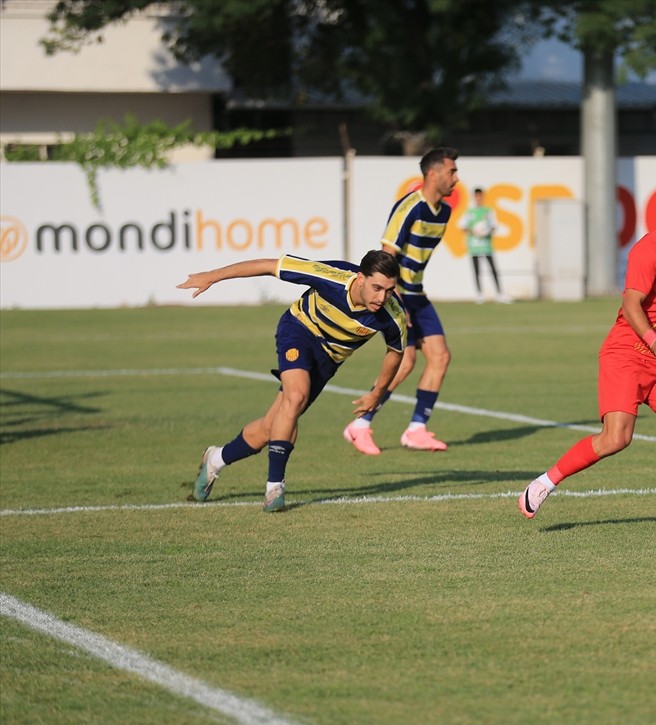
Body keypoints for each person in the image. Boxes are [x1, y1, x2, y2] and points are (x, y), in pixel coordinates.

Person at [518, 177, 656, 536]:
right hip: (627, 354)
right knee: (616, 438)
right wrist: (653, 340)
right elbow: (631, 303)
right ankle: (543, 483)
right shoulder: (650, 247)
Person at [180, 250, 407, 512]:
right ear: (360, 278)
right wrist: (213, 276)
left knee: (271, 427)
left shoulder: (393, 314)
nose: (382, 297)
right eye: (376, 288)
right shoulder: (331, 278)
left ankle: (216, 459)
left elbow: (395, 352)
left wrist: (377, 393)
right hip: (298, 331)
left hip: (328, 360)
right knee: (296, 396)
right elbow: (268, 265)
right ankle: (274, 488)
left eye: (389, 290)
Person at [343, 146, 460, 455]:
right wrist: (394, 298)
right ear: (433, 174)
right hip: (400, 294)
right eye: (451, 171)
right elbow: (386, 255)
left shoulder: (444, 212)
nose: (456, 178)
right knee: (405, 362)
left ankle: (417, 429)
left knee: (440, 357)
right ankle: (360, 424)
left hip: (417, 294)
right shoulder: (409, 206)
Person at [459, 187, 511, 304]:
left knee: (493, 269)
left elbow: (494, 225)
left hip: (486, 245)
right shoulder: (469, 212)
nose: (478, 198)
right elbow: (463, 227)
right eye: (477, 196)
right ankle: (479, 294)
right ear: (474, 197)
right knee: (477, 270)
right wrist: (474, 231)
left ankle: (499, 294)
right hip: (474, 246)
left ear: (482, 197)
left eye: (480, 196)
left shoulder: (488, 211)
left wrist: (487, 231)